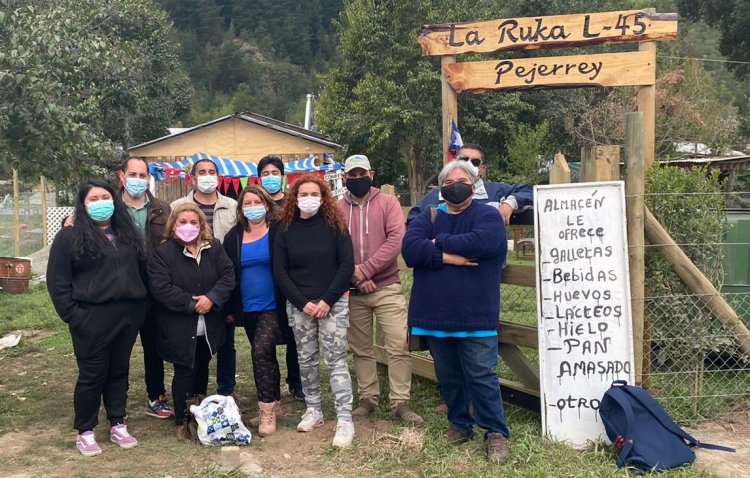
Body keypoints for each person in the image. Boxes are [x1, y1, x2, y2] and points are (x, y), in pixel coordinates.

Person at [402, 160, 511, 464]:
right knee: (448, 375)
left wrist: (438, 244)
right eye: (448, 183)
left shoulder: (487, 215)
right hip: (435, 315)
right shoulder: (429, 215)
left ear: (475, 186)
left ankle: (495, 433)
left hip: (476, 315)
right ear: (440, 189)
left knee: (481, 375)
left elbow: (484, 242)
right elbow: (411, 250)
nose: (455, 186)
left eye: (462, 181)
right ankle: (460, 423)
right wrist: (449, 257)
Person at [47, 180, 150, 456]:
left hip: (128, 315)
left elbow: (142, 271)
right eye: (94, 199)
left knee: (119, 370)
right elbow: (57, 282)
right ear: (83, 205)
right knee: (92, 374)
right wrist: (74, 316)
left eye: (106, 196)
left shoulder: (126, 234)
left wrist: (141, 309)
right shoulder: (69, 236)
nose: (101, 202)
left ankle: (117, 421)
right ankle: (86, 430)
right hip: (90, 317)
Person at [336, 154, 423, 425]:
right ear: (345, 177)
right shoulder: (337, 208)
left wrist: (367, 269)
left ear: (371, 175)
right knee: (361, 348)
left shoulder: (388, 203)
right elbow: (334, 246)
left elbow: (396, 240)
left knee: (398, 344)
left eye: (362, 173)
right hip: (353, 290)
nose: (357, 178)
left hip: (386, 286)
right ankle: (368, 399)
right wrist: (356, 276)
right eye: (352, 175)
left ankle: (400, 402)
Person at [273, 174, 356, 449]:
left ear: (323, 198)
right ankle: (314, 409)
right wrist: (302, 302)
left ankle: (344, 418)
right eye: (303, 194)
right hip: (300, 305)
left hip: (332, 303)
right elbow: (280, 271)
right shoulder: (285, 229)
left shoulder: (335, 225)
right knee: (306, 360)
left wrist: (327, 300)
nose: (308, 199)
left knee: (336, 360)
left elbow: (346, 265)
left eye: (314, 194)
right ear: (294, 198)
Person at [147, 203, 235, 439]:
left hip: (209, 324)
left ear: (201, 224)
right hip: (179, 325)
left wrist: (212, 298)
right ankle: (181, 420)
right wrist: (192, 303)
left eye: (193, 222)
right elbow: (161, 287)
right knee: (185, 369)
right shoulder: (164, 254)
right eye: (182, 222)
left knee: (203, 365)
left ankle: (199, 410)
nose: (188, 226)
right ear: (173, 225)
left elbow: (227, 276)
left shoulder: (213, 247)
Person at [171, 158, 239, 400]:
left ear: (219, 177)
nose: (207, 176)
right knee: (194, 345)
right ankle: (193, 394)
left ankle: (226, 392)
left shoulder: (232, 206)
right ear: (193, 177)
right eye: (202, 172)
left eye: (212, 172)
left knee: (226, 343)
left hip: (223, 284)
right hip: (189, 286)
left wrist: (221, 292)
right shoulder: (178, 206)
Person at [223, 185, 286, 437]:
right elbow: (227, 274)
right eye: (246, 203)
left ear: (267, 205)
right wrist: (229, 308)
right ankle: (277, 401)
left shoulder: (279, 231)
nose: (252, 207)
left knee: (260, 351)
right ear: (240, 209)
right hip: (247, 307)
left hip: (273, 305)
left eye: (256, 201)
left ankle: (267, 410)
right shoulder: (233, 237)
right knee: (266, 353)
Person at [116, 157, 175, 420]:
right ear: (122, 176)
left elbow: (173, 244)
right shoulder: (111, 207)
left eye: (143, 175)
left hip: (154, 287)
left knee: (154, 345)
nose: (138, 180)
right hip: (121, 288)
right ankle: (117, 401)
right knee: (120, 348)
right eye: (133, 174)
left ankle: (157, 395)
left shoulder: (162, 209)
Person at [256, 155, 304, 401]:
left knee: (295, 333)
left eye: (275, 172)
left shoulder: (292, 204)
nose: (271, 177)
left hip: (293, 276)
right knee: (267, 337)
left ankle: (296, 382)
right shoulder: (255, 205)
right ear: (258, 178)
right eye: (266, 173)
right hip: (266, 279)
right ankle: (271, 385)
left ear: (282, 176)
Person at [407, 143, 533, 226]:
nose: (468, 164)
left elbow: (531, 191)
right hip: (442, 259)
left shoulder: (496, 191)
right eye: (464, 159)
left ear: (482, 169)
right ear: (455, 161)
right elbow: (413, 219)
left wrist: (510, 203)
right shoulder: (437, 194)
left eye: (475, 161)